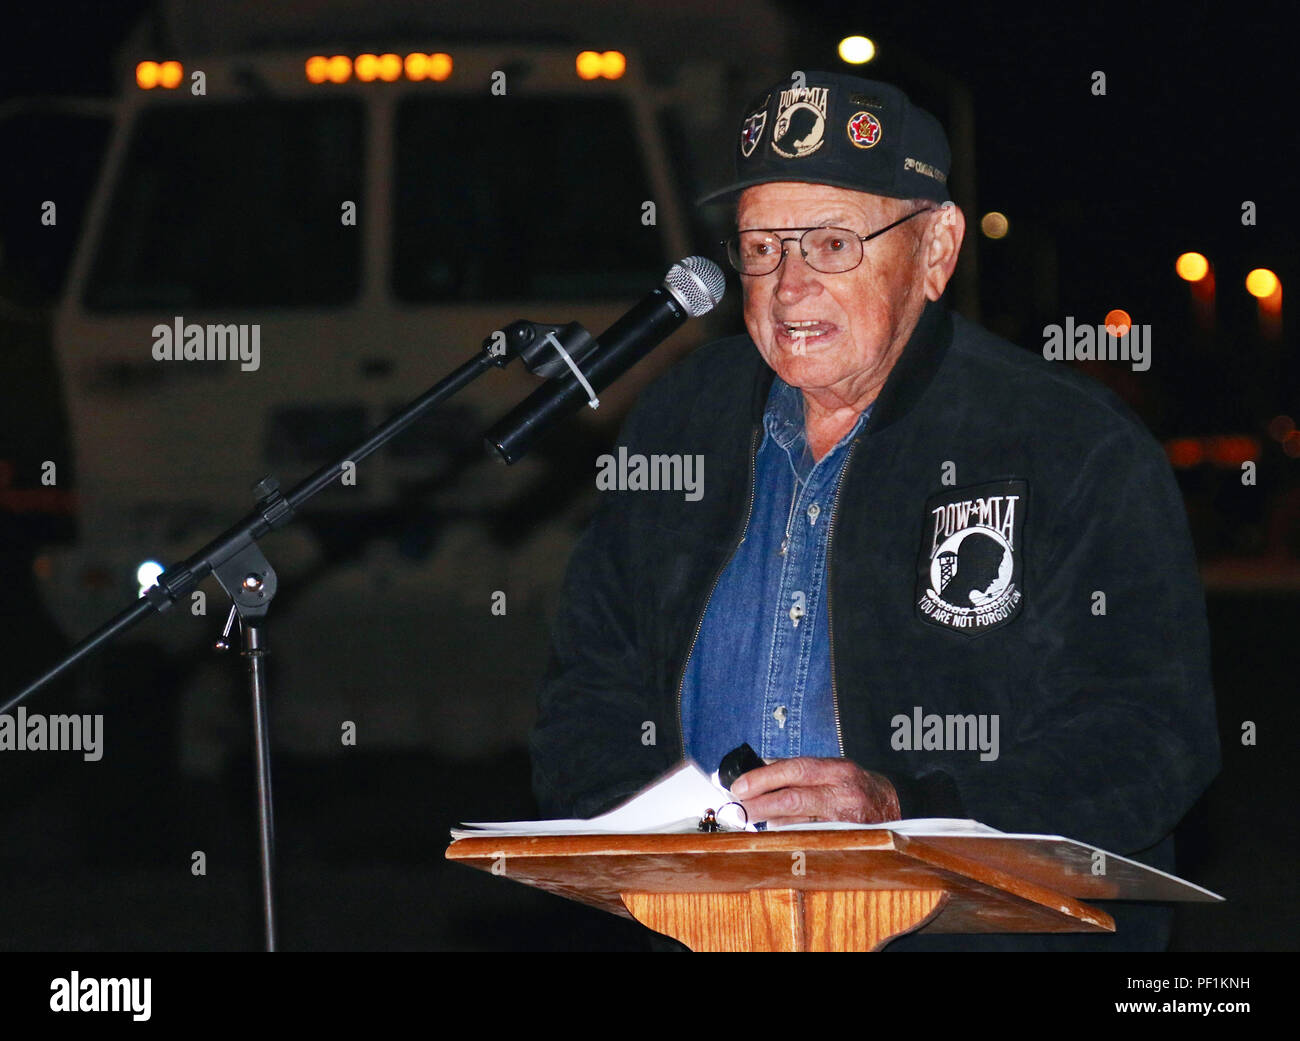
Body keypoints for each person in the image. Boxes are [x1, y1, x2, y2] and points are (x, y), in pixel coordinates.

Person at [528, 72, 1220, 950]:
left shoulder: (1067, 445)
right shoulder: (678, 421)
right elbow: (585, 693)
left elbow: (1150, 738)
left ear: (935, 250)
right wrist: (662, 839)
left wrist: (906, 811)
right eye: (762, 246)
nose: (788, 287)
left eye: (830, 244)